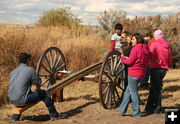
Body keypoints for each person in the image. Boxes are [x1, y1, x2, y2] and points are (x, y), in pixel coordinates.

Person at [8, 52, 66, 121]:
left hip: (12, 99)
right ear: (27, 60)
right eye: (30, 59)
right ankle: (54, 115)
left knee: (20, 95)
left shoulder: (13, 72)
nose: (30, 61)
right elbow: (38, 82)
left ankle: (15, 118)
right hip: (23, 100)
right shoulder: (29, 70)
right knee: (45, 93)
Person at [119, 33, 150, 117]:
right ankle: (122, 110)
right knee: (128, 91)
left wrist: (123, 57)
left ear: (137, 40)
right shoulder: (146, 49)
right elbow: (147, 61)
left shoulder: (135, 49)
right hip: (141, 74)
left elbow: (129, 62)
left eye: (133, 39)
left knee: (134, 93)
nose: (131, 41)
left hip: (133, 73)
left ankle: (136, 112)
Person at [145, 29, 173, 114]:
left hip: (155, 68)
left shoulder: (155, 44)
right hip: (163, 70)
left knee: (156, 89)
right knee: (153, 87)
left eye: (154, 35)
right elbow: (170, 59)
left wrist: (153, 60)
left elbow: (148, 53)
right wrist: (166, 63)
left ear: (157, 36)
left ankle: (158, 108)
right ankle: (149, 107)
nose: (153, 36)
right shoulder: (166, 45)